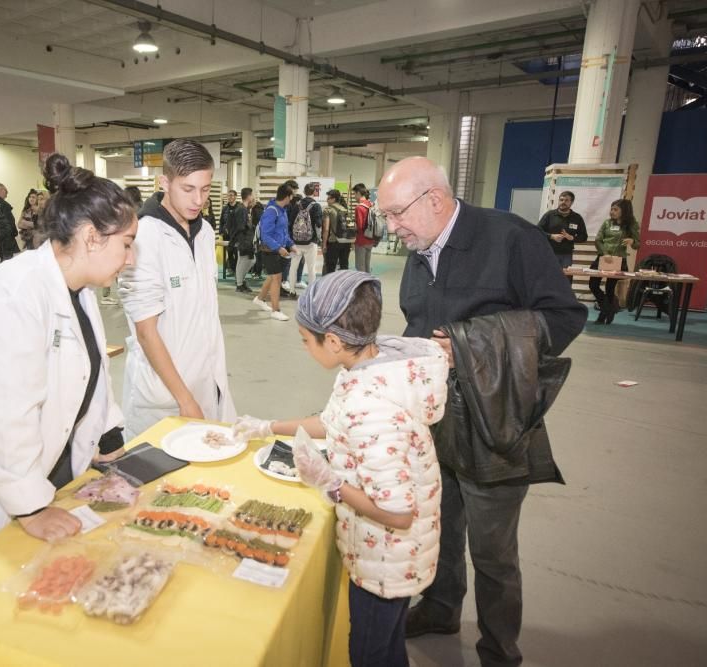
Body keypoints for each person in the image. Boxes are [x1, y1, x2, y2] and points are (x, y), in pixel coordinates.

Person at [377, 157, 587, 667]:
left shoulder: (511, 239)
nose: (390, 227)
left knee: (493, 552)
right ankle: (443, 608)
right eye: (386, 217)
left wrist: (470, 344)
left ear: (433, 199)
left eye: (395, 214)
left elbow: (564, 317)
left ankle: (498, 649)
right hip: (437, 418)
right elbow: (423, 324)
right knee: (441, 525)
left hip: (497, 422)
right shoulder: (420, 244)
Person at [0, 153, 135, 578]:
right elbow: (6, 413)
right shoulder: (15, 294)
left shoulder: (78, 287)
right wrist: (31, 508)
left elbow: (90, 373)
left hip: (45, 471)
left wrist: (109, 443)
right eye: (126, 243)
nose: (131, 258)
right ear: (91, 237)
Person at [232, 271, 449, 667]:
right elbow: (334, 421)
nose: (304, 348)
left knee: (368, 654)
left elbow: (397, 514)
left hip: (386, 562)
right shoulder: (369, 366)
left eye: (304, 341)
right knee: (389, 647)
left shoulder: (374, 410)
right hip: (388, 554)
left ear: (331, 341)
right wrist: (268, 426)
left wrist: (329, 483)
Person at [117, 139, 236, 441]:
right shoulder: (144, 236)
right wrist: (184, 398)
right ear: (164, 182)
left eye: (206, 189)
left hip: (205, 381)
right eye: (188, 189)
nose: (199, 200)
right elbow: (146, 330)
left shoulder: (206, 232)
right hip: (164, 394)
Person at [588, 199, 640, 325]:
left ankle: (602, 315)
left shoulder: (631, 224)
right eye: (611, 209)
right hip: (603, 257)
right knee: (593, 284)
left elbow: (637, 244)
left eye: (615, 209)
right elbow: (598, 240)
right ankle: (608, 309)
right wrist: (605, 253)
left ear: (625, 211)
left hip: (618, 259)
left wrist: (632, 242)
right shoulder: (607, 223)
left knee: (610, 288)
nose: (612, 212)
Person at [252, 183, 296, 321]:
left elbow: (283, 232)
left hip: (277, 250)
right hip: (270, 251)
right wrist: (278, 248)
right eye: (292, 195)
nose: (293, 198)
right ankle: (276, 310)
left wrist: (291, 244)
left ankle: (260, 299)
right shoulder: (272, 211)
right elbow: (266, 235)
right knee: (277, 278)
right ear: (288, 196)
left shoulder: (282, 210)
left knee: (272, 277)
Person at [537, 190, 587, 279]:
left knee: (566, 279)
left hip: (566, 254)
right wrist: (551, 236)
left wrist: (572, 238)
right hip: (550, 252)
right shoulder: (550, 215)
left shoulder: (577, 217)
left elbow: (584, 237)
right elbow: (537, 231)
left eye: (566, 200)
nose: (563, 202)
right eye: (561, 200)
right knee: (549, 278)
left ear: (571, 202)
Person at [287, 181, 323, 290]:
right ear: (314, 192)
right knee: (311, 269)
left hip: (296, 242)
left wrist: (291, 239)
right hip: (310, 242)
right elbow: (318, 224)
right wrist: (318, 238)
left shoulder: (297, 205)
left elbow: (291, 222)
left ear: (304, 191)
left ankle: (292, 291)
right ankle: (311, 293)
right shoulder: (316, 206)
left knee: (293, 267)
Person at [322, 188, 353, 274]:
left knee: (331, 267)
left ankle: (330, 286)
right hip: (346, 241)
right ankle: (344, 285)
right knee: (344, 265)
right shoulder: (344, 209)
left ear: (333, 199)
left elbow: (326, 228)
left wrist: (324, 244)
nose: (327, 200)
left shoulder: (328, 210)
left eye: (328, 198)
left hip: (334, 241)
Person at [233, 187, 257, 293]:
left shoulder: (244, 208)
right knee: (247, 260)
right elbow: (240, 226)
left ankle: (240, 282)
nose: (253, 197)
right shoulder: (241, 209)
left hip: (245, 239)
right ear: (249, 196)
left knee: (243, 261)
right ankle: (239, 283)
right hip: (244, 240)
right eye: (252, 195)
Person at [0, 182, 20, 261]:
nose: (6, 196)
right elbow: (10, 225)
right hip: (5, 245)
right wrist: (15, 233)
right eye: (6, 192)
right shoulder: (3, 204)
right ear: (1, 190)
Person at [352, 183, 375, 273]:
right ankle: (368, 286)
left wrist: (354, 226)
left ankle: (363, 286)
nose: (354, 196)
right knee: (367, 266)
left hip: (361, 241)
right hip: (370, 240)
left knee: (360, 267)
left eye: (354, 194)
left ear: (358, 193)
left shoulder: (359, 207)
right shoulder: (371, 205)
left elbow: (360, 226)